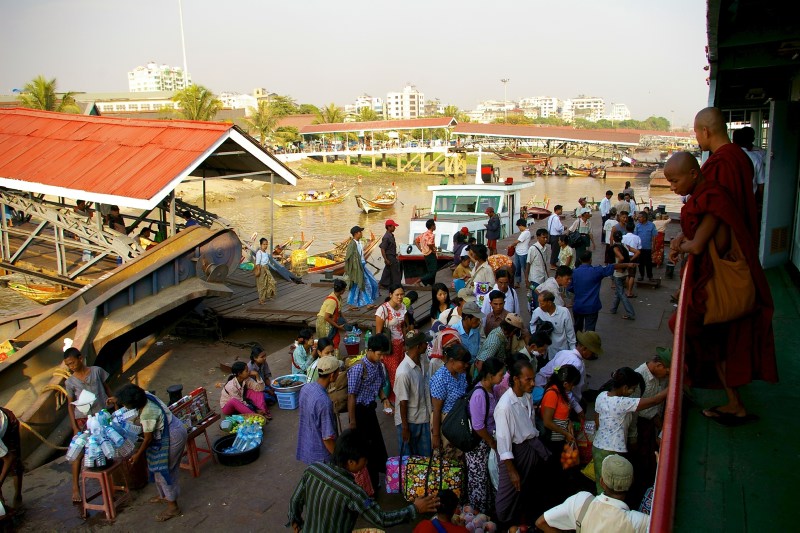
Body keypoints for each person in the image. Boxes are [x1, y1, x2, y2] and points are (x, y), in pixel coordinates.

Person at [666, 152, 777, 423]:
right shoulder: (707, 198)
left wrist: (680, 244)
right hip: (707, 280)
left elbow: (698, 245)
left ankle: (733, 402)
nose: (672, 187)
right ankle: (733, 401)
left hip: (713, 284)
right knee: (716, 347)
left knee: (694, 332)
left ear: (693, 174)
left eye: (674, 180)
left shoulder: (712, 200)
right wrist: (682, 237)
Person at [289, 429, 439, 533]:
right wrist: (415, 508)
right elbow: (381, 518)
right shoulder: (353, 492)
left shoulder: (313, 469)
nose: (366, 464)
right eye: (364, 460)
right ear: (351, 462)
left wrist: (295, 520)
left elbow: (295, 501)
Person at [117, 384, 187, 522]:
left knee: (164, 471)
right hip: (174, 427)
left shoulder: (147, 413)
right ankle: (164, 496)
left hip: (172, 436)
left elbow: (148, 438)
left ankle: (173, 507)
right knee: (158, 469)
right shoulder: (146, 395)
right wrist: (116, 399)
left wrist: (137, 455)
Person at [494, 359, 551, 528]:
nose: (533, 383)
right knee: (506, 499)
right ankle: (502, 524)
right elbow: (504, 443)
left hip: (530, 447)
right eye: (528, 379)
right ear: (516, 379)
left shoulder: (526, 397)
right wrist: (511, 470)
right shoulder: (505, 406)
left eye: (533, 379)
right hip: (514, 454)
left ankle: (521, 522)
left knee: (526, 490)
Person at [592, 367, 667, 494]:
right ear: (625, 388)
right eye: (633, 388)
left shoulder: (601, 396)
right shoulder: (622, 403)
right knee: (615, 487)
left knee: (602, 483)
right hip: (613, 449)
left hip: (597, 447)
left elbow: (597, 420)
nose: (633, 392)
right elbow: (655, 400)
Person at [536, 454, 649, 533]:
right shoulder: (640, 521)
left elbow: (541, 522)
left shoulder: (581, 501)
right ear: (631, 483)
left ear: (601, 482)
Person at [693, 107, 758, 239]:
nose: (696, 138)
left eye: (696, 132)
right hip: (743, 232)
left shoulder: (720, 162)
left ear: (705, 131)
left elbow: (715, 210)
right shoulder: (742, 157)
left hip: (723, 242)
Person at [64, 346, 115, 504]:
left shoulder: (97, 371)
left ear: (80, 358)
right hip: (83, 419)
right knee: (78, 453)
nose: (71, 367)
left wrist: (115, 404)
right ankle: (75, 487)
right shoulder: (70, 382)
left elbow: (107, 389)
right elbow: (70, 405)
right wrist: (74, 427)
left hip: (101, 416)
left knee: (108, 448)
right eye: (68, 365)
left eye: (73, 363)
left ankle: (111, 484)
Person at [347, 334, 393, 490]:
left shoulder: (378, 366)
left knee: (376, 444)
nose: (381, 358)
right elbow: (351, 396)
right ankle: (368, 483)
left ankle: (375, 478)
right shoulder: (358, 368)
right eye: (379, 354)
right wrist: (352, 421)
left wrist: (384, 400)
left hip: (370, 410)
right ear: (371, 350)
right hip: (359, 413)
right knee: (364, 448)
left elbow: (379, 387)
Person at [628, 347, 671, 507]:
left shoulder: (660, 378)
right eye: (666, 372)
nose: (666, 376)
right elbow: (632, 411)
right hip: (639, 427)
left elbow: (656, 409)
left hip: (651, 425)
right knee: (640, 463)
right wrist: (632, 437)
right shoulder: (639, 377)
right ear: (658, 365)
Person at [465, 357, 505, 513]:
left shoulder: (492, 390)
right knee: (478, 480)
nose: (503, 377)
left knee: (486, 477)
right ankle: (478, 515)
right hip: (479, 444)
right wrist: (491, 442)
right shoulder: (479, 395)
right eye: (500, 374)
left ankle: (488, 511)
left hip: (486, 442)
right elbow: (478, 426)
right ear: (489, 375)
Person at [569, 251, 634, 332]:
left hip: (578, 306)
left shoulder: (574, 272)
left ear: (579, 259)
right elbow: (612, 266)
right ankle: (588, 343)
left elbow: (570, 288)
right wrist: (627, 264)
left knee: (577, 329)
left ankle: (577, 343)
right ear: (590, 260)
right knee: (590, 331)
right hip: (592, 307)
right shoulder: (596, 271)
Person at [536, 331, 604, 407]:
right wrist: (576, 407)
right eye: (592, 352)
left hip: (541, 383)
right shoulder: (576, 364)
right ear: (584, 349)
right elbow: (565, 389)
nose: (593, 355)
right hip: (552, 393)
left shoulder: (564, 352)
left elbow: (555, 370)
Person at [395, 330, 433, 457]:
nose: (427, 345)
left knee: (425, 458)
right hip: (409, 421)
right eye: (424, 343)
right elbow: (402, 402)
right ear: (418, 346)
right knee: (409, 460)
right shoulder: (403, 372)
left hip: (423, 417)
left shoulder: (422, 360)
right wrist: (405, 428)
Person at [296, 357, 340, 465]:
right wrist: (340, 461)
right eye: (338, 372)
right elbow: (327, 438)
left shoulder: (306, 388)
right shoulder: (324, 402)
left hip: (307, 446)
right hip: (321, 455)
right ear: (332, 375)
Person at [430, 344, 471, 454]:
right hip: (446, 423)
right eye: (463, 363)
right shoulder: (441, 379)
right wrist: (436, 436)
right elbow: (437, 410)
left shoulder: (461, 374)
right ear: (452, 361)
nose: (466, 365)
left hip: (459, 420)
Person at [375, 284, 408, 401]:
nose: (399, 297)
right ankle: (397, 400)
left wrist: (406, 343)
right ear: (390, 295)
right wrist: (380, 352)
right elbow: (378, 333)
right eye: (397, 294)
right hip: (389, 347)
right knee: (394, 375)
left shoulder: (403, 307)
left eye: (402, 294)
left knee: (402, 372)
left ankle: (400, 399)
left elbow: (403, 326)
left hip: (401, 346)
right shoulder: (382, 310)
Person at [530, 290, 576, 359]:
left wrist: (573, 352)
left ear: (549, 303)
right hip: (545, 354)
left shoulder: (564, 312)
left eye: (541, 304)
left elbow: (570, 333)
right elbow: (532, 325)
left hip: (561, 352)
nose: (539, 306)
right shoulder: (537, 312)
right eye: (539, 303)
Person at [732, 126, 766, 211]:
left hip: (731, 202)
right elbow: (761, 184)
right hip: (750, 202)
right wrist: (761, 202)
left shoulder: (729, 157)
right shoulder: (757, 157)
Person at [345, 225, 379, 309]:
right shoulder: (352, 244)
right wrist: (353, 270)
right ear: (356, 233)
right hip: (357, 268)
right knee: (366, 284)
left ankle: (352, 304)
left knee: (362, 284)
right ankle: (368, 303)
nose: (362, 233)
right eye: (360, 232)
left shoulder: (359, 242)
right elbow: (348, 258)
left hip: (362, 266)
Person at [0, 407, 23, 513]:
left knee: (15, 463)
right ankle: (2, 503)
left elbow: (9, 458)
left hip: (8, 423)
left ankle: (18, 496)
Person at [315, 279, 348, 355]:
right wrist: (338, 326)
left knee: (335, 340)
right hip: (323, 322)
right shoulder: (332, 301)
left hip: (330, 320)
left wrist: (346, 321)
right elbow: (326, 317)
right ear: (342, 290)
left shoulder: (338, 298)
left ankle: (334, 357)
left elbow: (339, 312)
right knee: (328, 342)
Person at [610, 231, 636, 320]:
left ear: (613, 238)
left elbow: (621, 258)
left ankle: (630, 313)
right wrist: (628, 263)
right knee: (618, 291)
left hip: (618, 273)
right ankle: (613, 309)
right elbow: (637, 252)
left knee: (621, 293)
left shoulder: (615, 248)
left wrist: (619, 266)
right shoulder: (625, 245)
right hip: (625, 272)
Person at [526, 229, 551, 307]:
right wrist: (526, 280)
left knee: (543, 299)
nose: (546, 239)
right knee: (537, 299)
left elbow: (545, 264)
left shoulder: (546, 249)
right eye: (543, 237)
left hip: (543, 278)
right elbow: (528, 264)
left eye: (547, 237)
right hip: (535, 279)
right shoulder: (533, 249)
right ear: (538, 237)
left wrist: (548, 277)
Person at [634, 211, 657, 282]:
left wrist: (654, 246)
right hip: (639, 248)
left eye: (640, 217)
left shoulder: (652, 225)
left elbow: (654, 237)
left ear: (644, 218)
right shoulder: (637, 226)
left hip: (648, 248)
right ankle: (641, 275)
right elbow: (635, 236)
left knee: (648, 263)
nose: (638, 218)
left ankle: (650, 276)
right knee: (640, 263)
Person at [379, 219, 401, 290]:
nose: (395, 228)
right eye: (393, 226)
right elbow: (382, 249)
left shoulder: (391, 235)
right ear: (389, 227)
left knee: (388, 270)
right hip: (389, 256)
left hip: (392, 255)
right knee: (395, 271)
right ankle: (397, 286)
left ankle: (384, 284)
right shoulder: (386, 237)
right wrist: (386, 259)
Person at [416, 218, 439, 286]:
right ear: (432, 226)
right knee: (433, 271)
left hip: (425, 255)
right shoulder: (431, 235)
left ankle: (431, 284)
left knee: (430, 270)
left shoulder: (423, 234)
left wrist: (421, 249)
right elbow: (429, 244)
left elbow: (416, 241)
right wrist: (433, 250)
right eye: (434, 225)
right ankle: (419, 281)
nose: (435, 226)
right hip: (430, 254)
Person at [254, 237, 277, 304]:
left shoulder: (266, 253)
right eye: (264, 244)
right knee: (262, 285)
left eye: (266, 244)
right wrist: (258, 270)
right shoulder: (259, 253)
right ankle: (261, 300)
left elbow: (267, 262)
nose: (265, 246)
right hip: (261, 269)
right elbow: (257, 263)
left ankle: (268, 296)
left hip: (266, 269)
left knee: (270, 282)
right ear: (261, 245)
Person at [513, 219, 531, 288]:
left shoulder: (526, 233)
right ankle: (518, 282)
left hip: (523, 253)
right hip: (518, 252)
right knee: (517, 268)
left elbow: (517, 241)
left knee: (524, 268)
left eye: (518, 226)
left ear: (521, 225)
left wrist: (511, 245)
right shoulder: (524, 232)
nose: (519, 228)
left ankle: (527, 282)